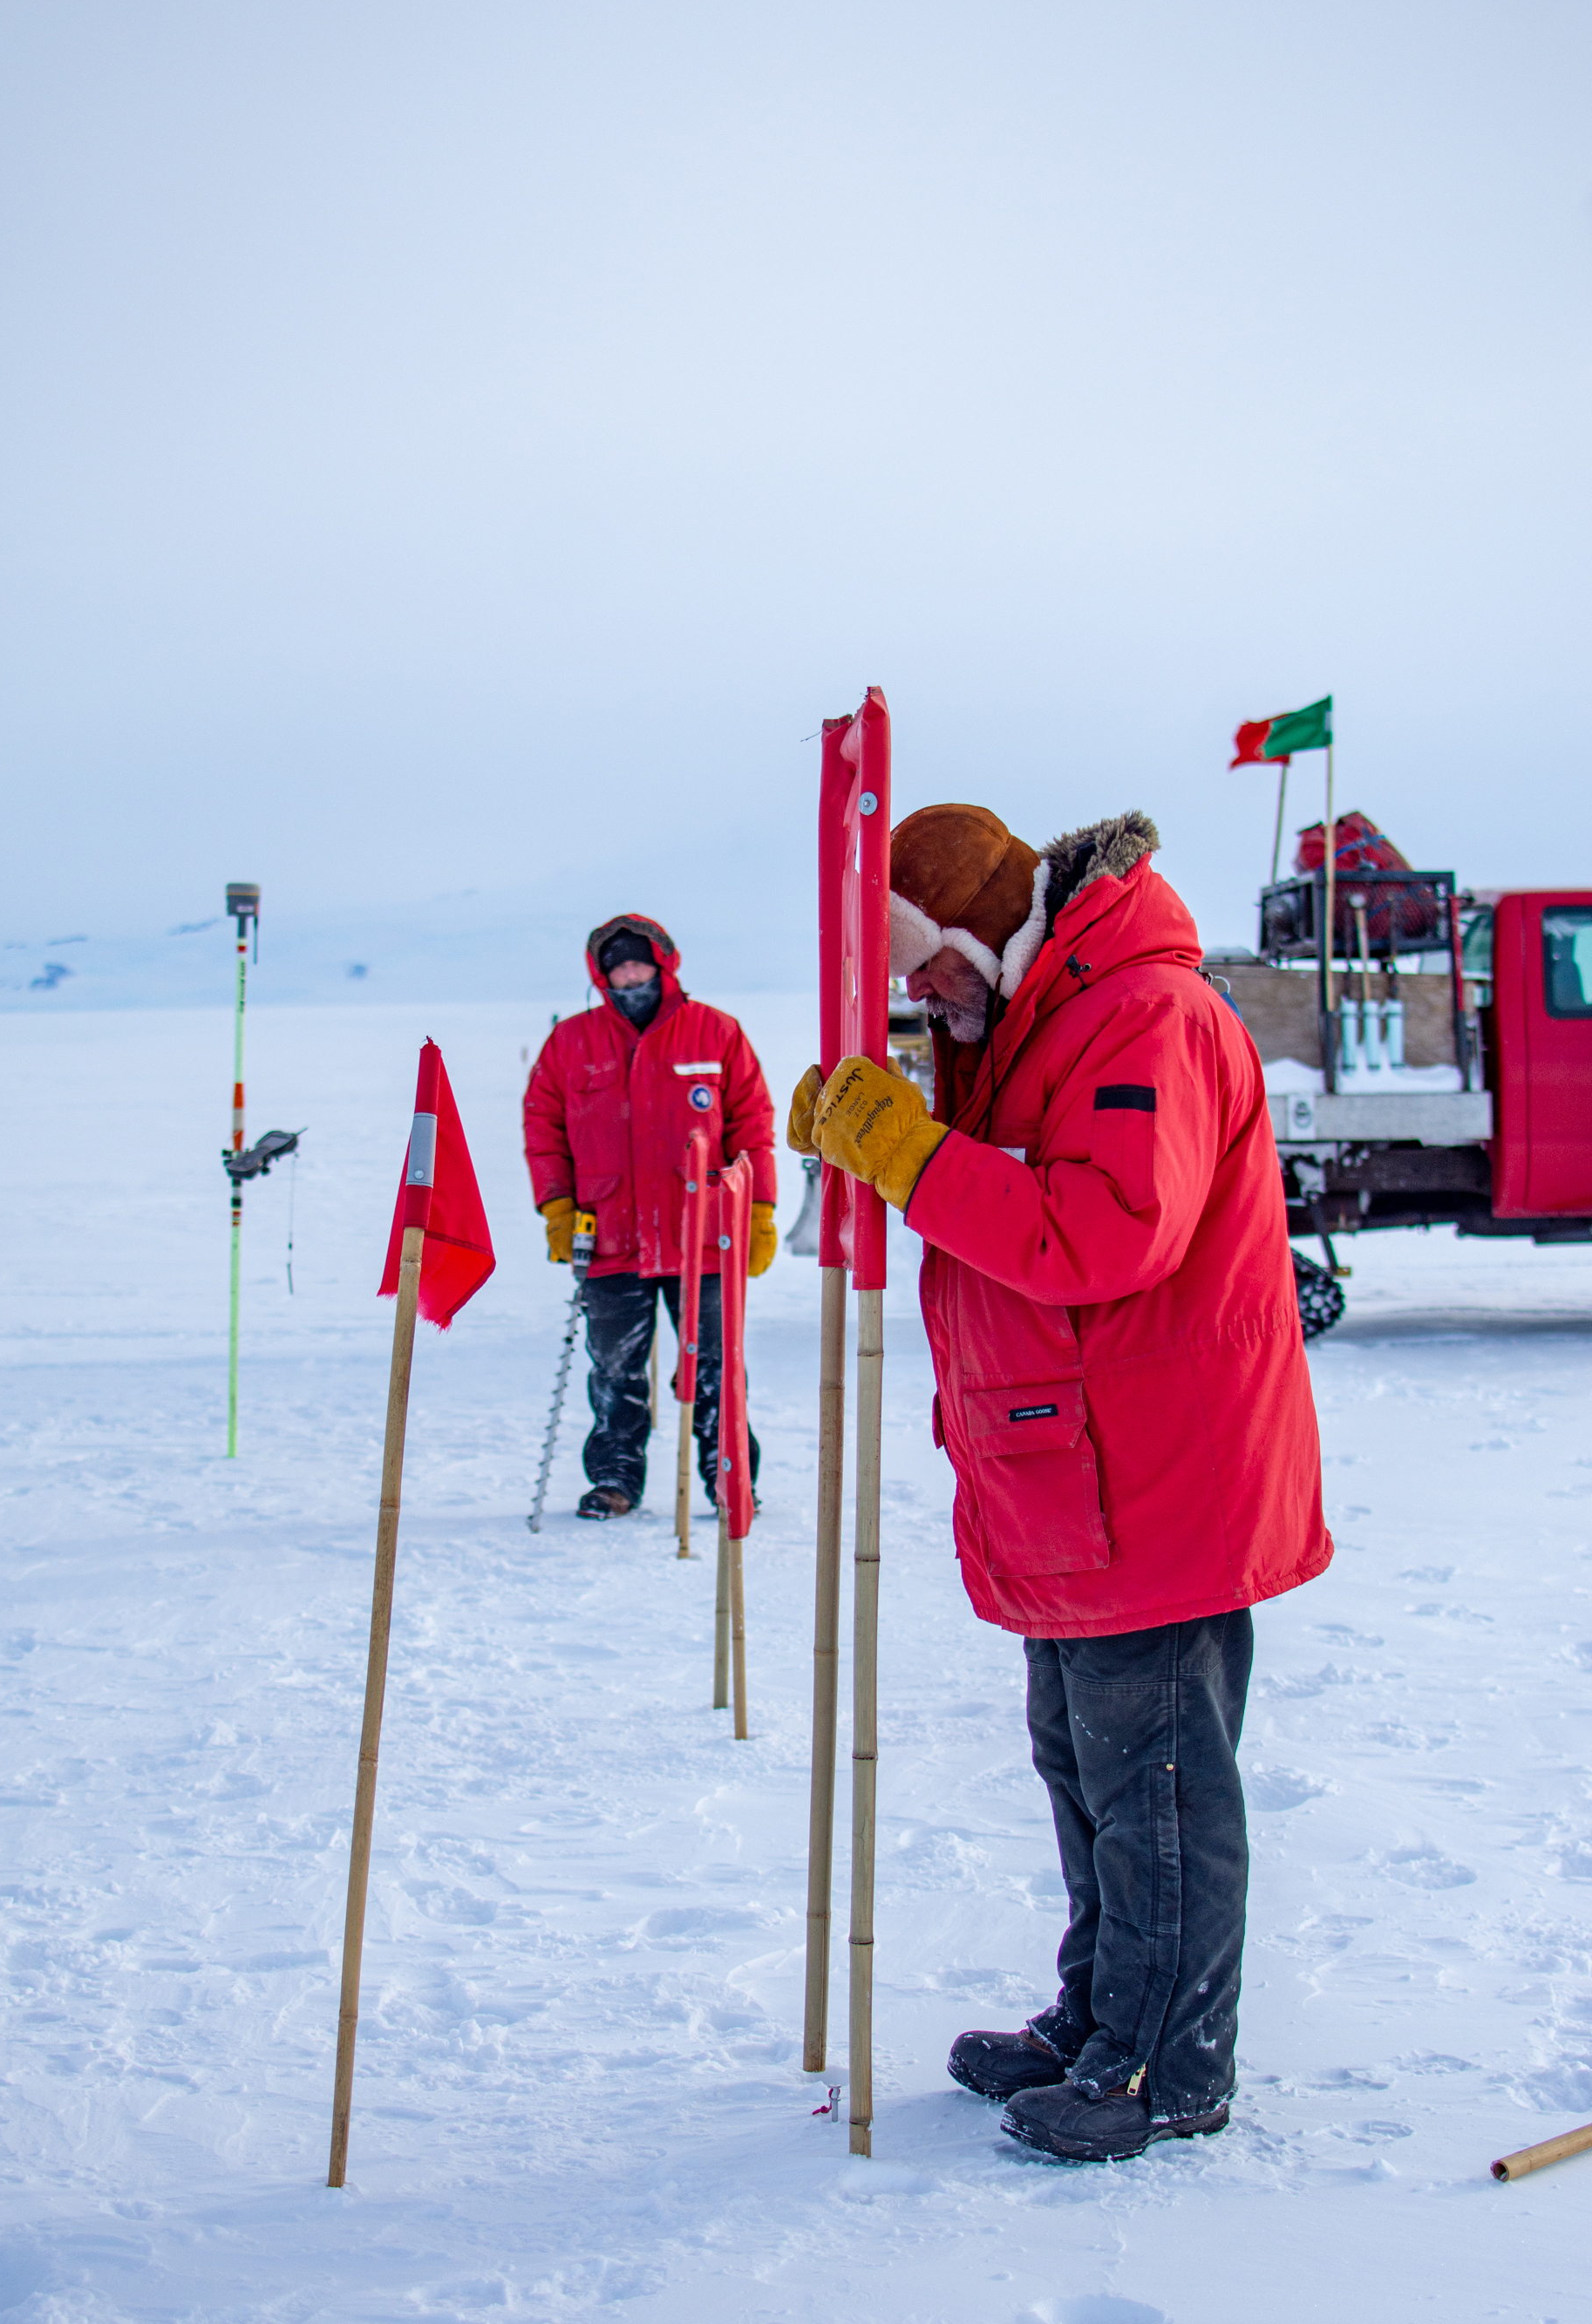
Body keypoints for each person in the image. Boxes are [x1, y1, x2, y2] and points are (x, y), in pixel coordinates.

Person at [792, 804, 1329, 2161]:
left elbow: (1102, 1235)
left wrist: (911, 1156)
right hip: (1075, 1477)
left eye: (925, 964)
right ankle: (1102, 2018)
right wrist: (888, 1136)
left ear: (982, 927)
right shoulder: (1028, 1025)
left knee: (1153, 1781)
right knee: (1087, 1764)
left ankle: (1165, 2065)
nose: (919, 994)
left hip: (1158, 1478)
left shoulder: (1146, 1016)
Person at [523, 914, 778, 1520]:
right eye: (617, 967)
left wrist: (760, 1210)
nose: (629, 974)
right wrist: (557, 1205)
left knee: (716, 1366)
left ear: (663, 965)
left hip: (704, 1237)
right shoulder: (571, 1043)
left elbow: (754, 1128)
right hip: (609, 1235)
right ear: (601, 975)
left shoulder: (717, 1034)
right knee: (614, 1370)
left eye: (639, 963)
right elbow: (543, 1130)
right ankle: (614, 1480)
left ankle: (728, 1476)